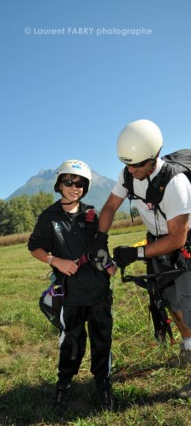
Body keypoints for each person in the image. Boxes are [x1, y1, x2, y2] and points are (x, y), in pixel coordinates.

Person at [90, 119, 191, 399]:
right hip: (156, 243)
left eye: (137, 166)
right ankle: (188, 348)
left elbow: (177, 239)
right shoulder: (128, 172)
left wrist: (134, 253)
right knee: (169, 302)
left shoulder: (176, 184)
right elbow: (110, 206)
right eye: (127, 165)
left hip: (182, 245)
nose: (131, 172)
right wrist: (100, 238)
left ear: (155, 156)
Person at [28, 159, 117, 415]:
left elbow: (101, 249)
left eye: (80, 184)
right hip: (72, 296)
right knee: (72, 343)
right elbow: (35, 247)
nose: (74, 187)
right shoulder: (48, 217)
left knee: (103, 341)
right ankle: (63, 385)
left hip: (99, 293)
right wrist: (56, 260)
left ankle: (102, 382)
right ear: (59, 184)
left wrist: (108, 264)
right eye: (69, 182)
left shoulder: (92, 214)